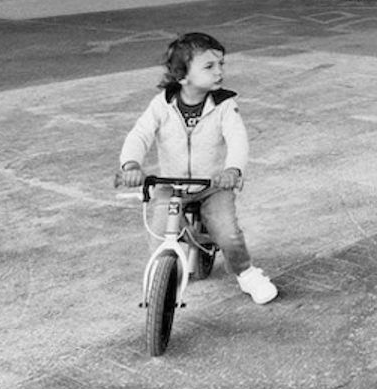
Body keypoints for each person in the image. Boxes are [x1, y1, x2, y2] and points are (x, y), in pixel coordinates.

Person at [117, 32, 278, 304]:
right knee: (158, 230)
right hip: (171, 184)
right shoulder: (162, 105)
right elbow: (140, 134)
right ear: (183, 76)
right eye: (209, 66)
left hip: (213, 185)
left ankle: (247, 273)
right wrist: (131, 164)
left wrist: (232, 171)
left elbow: (238, 140)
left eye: (221, 65)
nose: (219, 72)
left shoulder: (225, 105)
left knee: (227, 232)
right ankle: (162, 274)